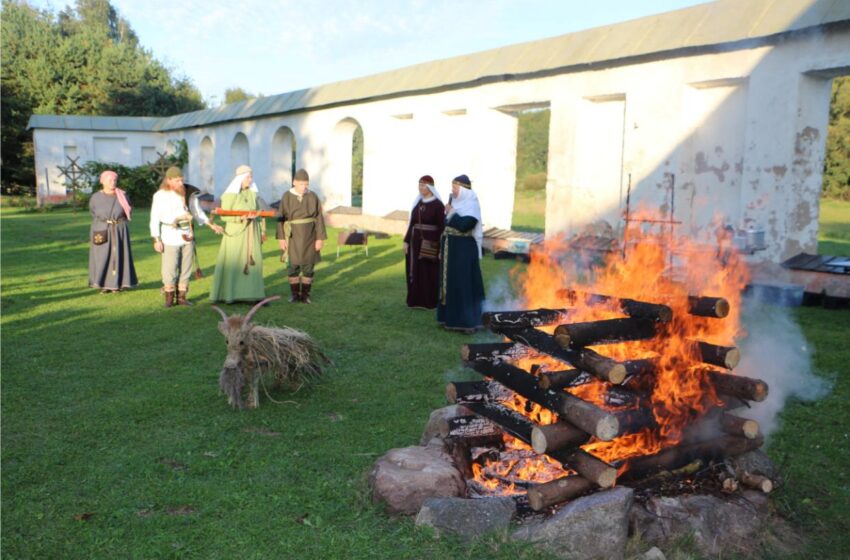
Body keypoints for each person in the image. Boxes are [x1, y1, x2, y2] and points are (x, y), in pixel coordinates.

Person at [150, 166, 223, 307]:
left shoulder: (189, 193)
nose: (180, 183)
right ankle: (169, 298)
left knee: (186, 266)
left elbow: (197, 212)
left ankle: (182, 297)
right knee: (169, 268)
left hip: (187, 234)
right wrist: (156, 239)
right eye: (177, 181)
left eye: (181, 180)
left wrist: (211, 224)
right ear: (169, 180)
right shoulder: (159, 195)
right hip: (169, 234)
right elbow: (154, 218)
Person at [210, 165, 268, 303]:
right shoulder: (230, 195)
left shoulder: (253, 194)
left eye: (251, 176)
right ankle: (230, 295)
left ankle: (253, 294)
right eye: (248, 177)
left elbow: (260, 213)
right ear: (240, 178)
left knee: (253, 262)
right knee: (234, 262)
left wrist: (262, 228)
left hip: (251, 232)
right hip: (236, 233)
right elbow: (224, 216)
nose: (250, 179)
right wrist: (240, 218)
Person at [436, 174, 485, 333]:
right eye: (452, 187)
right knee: (450, 283)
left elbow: (465, 226)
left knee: (462, 284)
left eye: (455, 188)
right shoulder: (454, 204)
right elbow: (446, 225)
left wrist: (451, 213)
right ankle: (449, 318)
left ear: (464, 190)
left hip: (464, 250)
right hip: (451, 248)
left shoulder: (472, 205)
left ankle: (466, 322)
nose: (453, 191)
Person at [276, 169, 327, 303]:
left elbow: (319, 218)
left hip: (310, 235)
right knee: (293, 267)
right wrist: (281, 238)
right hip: (292, 236)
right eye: (301, 184)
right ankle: (294, 295)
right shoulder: (287, 196)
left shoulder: (313, 196)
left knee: (308, 267)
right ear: (294, 183)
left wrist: (320, 238)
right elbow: (280, 218)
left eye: (306, 184)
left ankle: (305, 296)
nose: (304, 187)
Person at [88, 170, 138, 292]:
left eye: (115, 180)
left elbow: (128, 211)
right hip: (101, 228)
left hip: (119, 228)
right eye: (109, 180)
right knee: (103, 256)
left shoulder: (123, 196)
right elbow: (93, 212)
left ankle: (118, 284)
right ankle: (104, 284)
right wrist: (105, 223)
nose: (113, 182)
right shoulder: (95, 197)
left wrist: (118, 222)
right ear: (102, 181)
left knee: (119, 255)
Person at [403, 175, 445, 309]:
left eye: (423, 185)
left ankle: (429, 302)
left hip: (430, 244)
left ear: (430, 187)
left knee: (429, 272)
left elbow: (442, 228)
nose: (420, 187)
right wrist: (406, 241)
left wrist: (440, 247)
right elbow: (412, 224)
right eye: (419, 184)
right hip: (415, 243)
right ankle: (415, 300)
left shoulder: (438, 205)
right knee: (415, 271)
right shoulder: (418, 203)